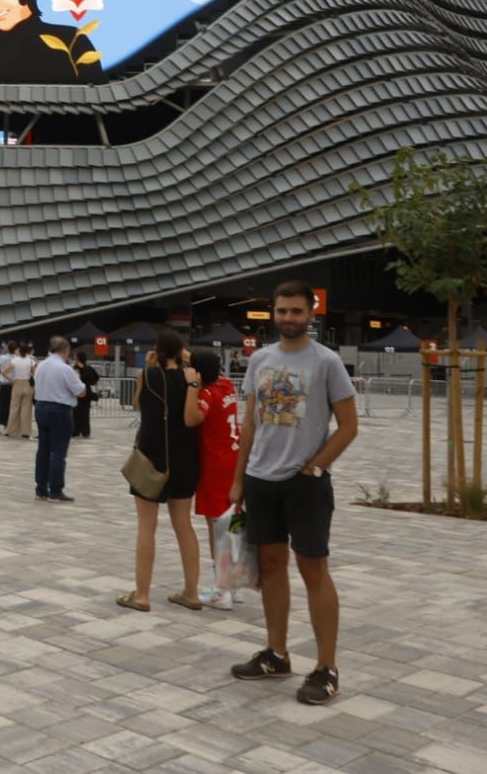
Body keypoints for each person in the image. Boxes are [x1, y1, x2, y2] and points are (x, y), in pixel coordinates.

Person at [229, 281, 359, 706]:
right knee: (270, 566)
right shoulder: (260, 359)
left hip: (305, 483)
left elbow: (349, 426)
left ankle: (326, 668)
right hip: (261, 479)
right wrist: (239, 478)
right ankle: (277, 653)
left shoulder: (327, 362)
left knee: (313, 568)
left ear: (310, 314)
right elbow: (250, 423)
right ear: (273, 312)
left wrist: (315, 466)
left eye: (296, 311)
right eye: (282, 310)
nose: (288, 318)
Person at [117, 330, 202, 612]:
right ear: (180, 351)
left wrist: (152, 365)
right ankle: (191, 592)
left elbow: (137, 403)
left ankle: (142, 595)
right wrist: (186, 360)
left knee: (147, 527)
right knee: (184, 525)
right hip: (185, 459)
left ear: (156, 349)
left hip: (151, 459)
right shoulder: (192, 378)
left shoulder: (147, 375)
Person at [188, 351, 241, 610]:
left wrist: (191, 385)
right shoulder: (227, 385)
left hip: (215, 463)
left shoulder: (207, 394)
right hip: (234, 458)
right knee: (233, 524)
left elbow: (192, 419)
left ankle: (222, 590)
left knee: (217, 527)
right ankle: (234, 582)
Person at [31, 337, 86, 503]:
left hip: (41, 407)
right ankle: (55, 490)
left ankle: (41, 489)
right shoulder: (65, 369)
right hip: (60, 410)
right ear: (65, 350)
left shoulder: (41, 366)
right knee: (58, 452)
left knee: (43, 450)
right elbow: (80, 392)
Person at [4, 343, 36, 438]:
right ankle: (25, 432)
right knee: (26, 409)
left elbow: (4, 372)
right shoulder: (31, 361)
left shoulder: (15, 360)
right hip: (28, 384)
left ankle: (9, 430)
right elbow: (35, 374)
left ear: (19, 350)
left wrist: (11, 380)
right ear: (27, 351)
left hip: (17, 383)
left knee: (14, 408)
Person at [72, 351, 100, 438]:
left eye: (75, 356)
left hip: (86, 393)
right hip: (76, 393)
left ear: (79, 358)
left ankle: (85, 432)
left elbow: (95, 378)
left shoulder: (87, 368)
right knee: (75, 413)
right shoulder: (74, 368)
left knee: (85, 413)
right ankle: (75, 431)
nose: (74, 357)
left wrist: (90, 381)